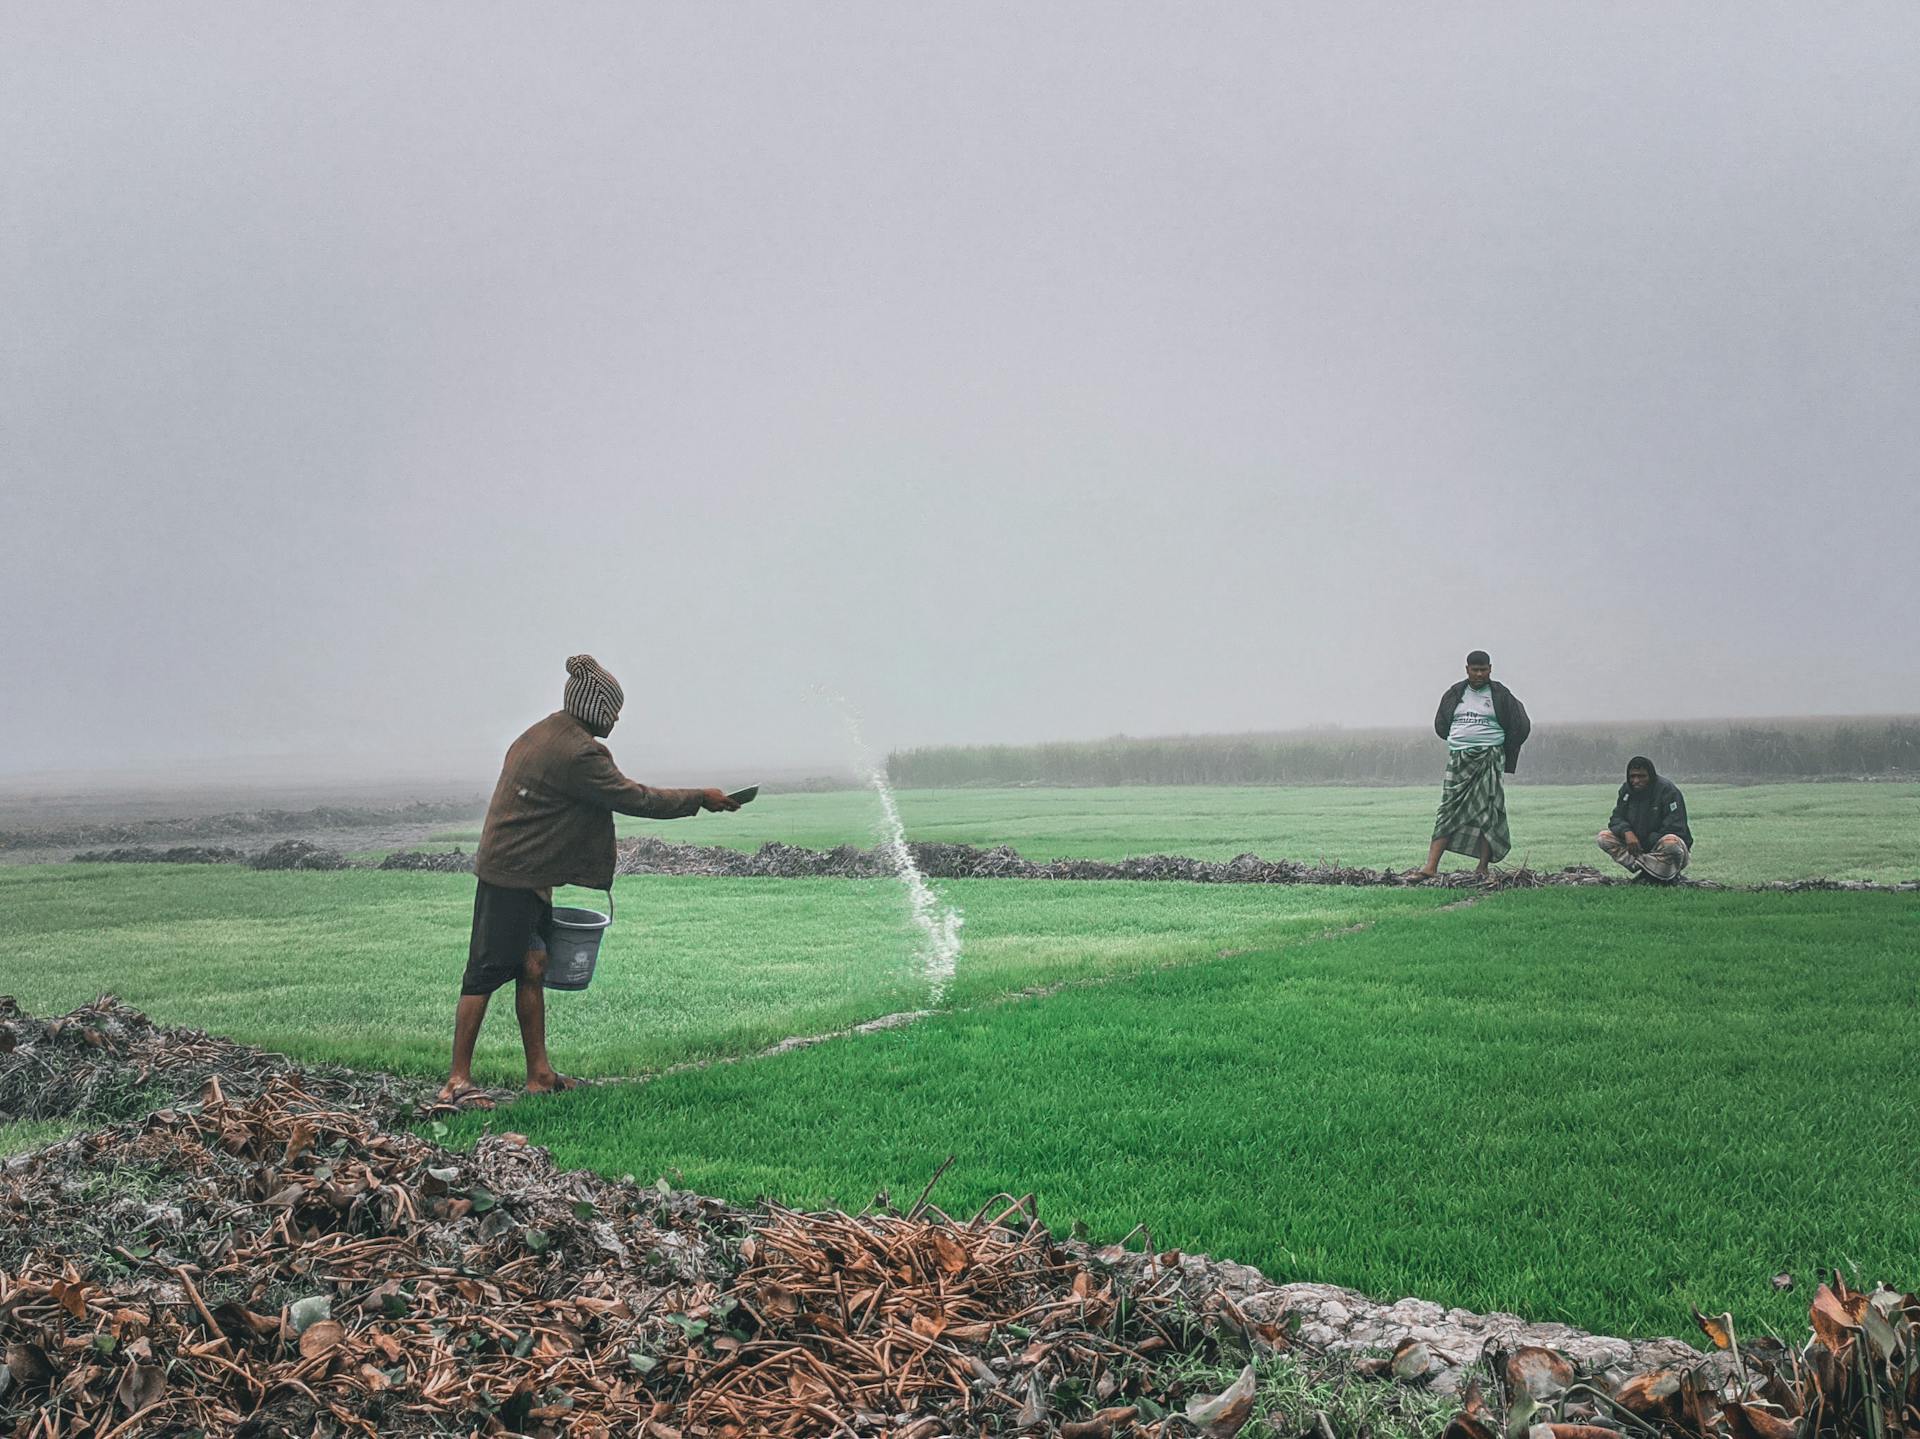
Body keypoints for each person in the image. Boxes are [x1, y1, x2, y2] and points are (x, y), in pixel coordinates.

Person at [437, 654, 741, 1105]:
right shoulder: (579, 752)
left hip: (529, 870)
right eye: (613, 710)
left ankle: (539, 1074)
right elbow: (634, 797)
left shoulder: (545, 731)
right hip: (513, 873)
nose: (617, 718)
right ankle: (457, 1081)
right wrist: (700, 798)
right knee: (483, 972)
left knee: (532, 965)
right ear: (595, 708)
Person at [1410, 650, 1531, 881]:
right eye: (1474, 670)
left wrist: (1502, 747)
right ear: (1466, 669)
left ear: (1490, 669)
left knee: (1487, 809)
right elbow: (1441, 724)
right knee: (1447, 809)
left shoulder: (1501, 695)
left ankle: (1482, 867)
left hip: (1489, 757)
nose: (1478, 674)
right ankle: (1430, 866)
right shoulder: (1455, 693)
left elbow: (1520, 725)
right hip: (1458, 758)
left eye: (1483, 670)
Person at [1597, 755, 1692, 883]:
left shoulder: (1667, 791)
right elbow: (1616, 818)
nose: (1636, 781)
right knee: (1604, 837)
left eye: (1641, 776)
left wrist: (1645, 841)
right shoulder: (1626, 791)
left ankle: (1656, 873)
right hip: (1636, 846)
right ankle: (1650, 871)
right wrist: (1627, 832)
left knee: (1671, 842)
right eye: (1633, 776)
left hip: (1661, 847)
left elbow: (1676, 827)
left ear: (1651, 776)